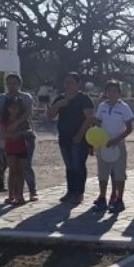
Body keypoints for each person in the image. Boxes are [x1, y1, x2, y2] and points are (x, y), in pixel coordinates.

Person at [48, 72, 95, 205]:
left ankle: (79, 193)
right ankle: (70, 191)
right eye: (66, 82)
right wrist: (57, 105)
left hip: (79, 139)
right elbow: (50, 115)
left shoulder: (84, 99)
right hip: (64, 138)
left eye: (71, 82)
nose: (67, 84)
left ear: (78, 84)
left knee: (78, 165)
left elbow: (89, 118)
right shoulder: (60, 98)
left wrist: (80, 134)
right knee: (69, 166)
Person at [0, 74, 38, 201]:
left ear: (19, 84)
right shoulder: (2, 98)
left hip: (25, 137)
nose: (11, 86)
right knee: (12, 168)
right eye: (9, 83)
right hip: (10, 140)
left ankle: (31, 191)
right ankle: (13, 194)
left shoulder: (25, 97)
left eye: (14, 83)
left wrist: (16, 124)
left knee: (25, 166)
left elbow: (28, 112)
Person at [91, 80, 134, 214]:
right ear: (106, 92)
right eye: (109, 91)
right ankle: (102, 198)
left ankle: (119, 199)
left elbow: (129, 129)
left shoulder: (124, 107)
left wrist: (115, 140)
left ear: (119, 93)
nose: (112, 93)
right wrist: (93, 122)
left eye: (115, 91)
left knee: (119, 174)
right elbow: (98, 123)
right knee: (102, 174)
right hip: (103, 144)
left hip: (118, 145)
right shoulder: (102, 106)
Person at [2, 96, 30, 205]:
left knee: (20, 172)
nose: (14, 110)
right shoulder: (5, 120)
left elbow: (29, 131)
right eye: (11, 107)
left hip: (22, 147)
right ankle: (10, 195)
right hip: (10, 147)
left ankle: (20, 195)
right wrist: (13, 134)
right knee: (12, 171)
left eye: (16, 108)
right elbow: (3, 133)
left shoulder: (22, 120)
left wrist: (20, 133)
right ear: (8, 108)